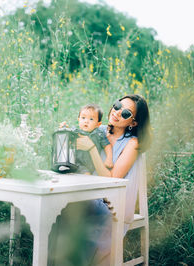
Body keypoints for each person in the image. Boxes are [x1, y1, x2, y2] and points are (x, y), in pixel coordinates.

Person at [48, 94, 152, 266]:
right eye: (118, 106)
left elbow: (113, 180)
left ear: (133, 123)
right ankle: (56, 259)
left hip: (112, 202)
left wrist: (91, 149)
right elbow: (78, 133)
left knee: (65, 204)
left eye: (125, 113)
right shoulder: (99, 130)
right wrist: (66, 131)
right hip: (90, 191)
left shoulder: (132, 143)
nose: (117, 112)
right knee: (57, 203)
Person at [74, 104, 113, 174]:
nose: (86, 121)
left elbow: (107, 145)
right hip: (77, 163)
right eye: (83, 118)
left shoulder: (99, 134)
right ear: (78, 119)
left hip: (93, 163)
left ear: (98, 124)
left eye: (91, 119)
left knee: (88, 175)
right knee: (85, 174)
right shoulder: (76, 132)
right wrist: (64, 127)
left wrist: (109, 159)